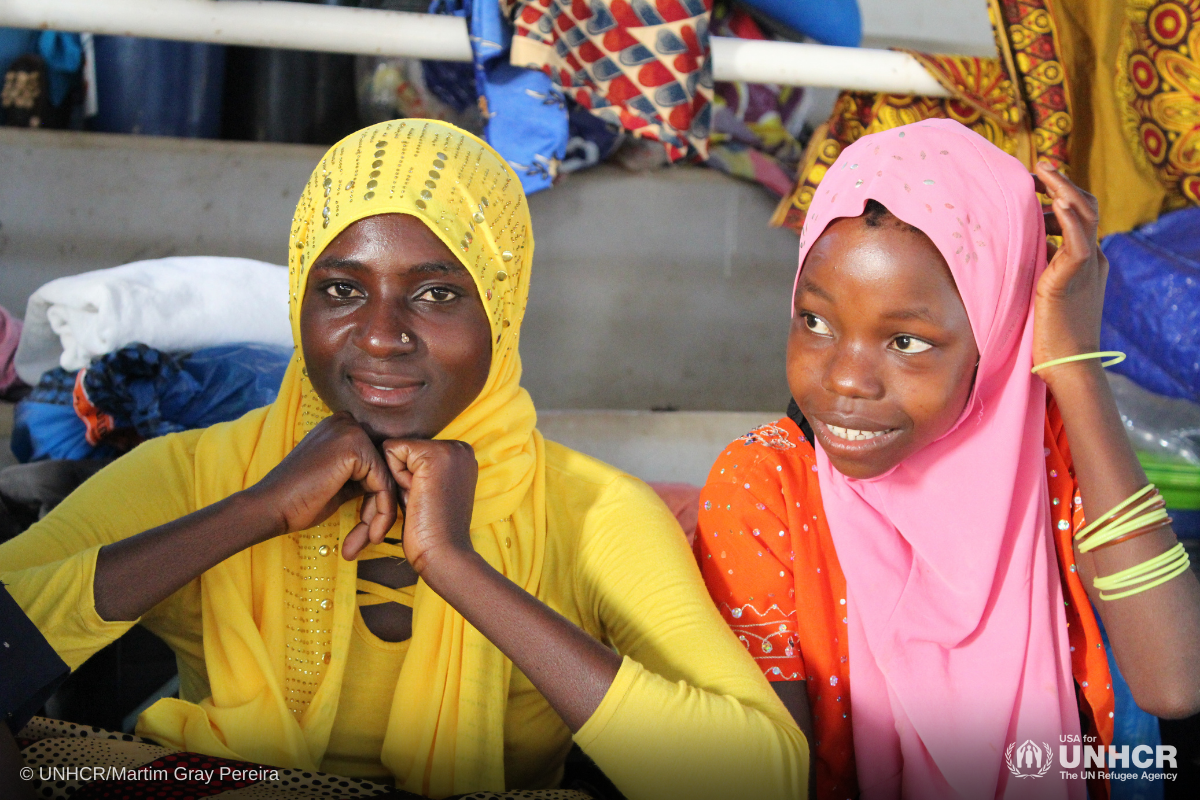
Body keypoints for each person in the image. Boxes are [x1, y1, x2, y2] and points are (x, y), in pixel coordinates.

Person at [0, 119, 807, 800]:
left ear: (502, 303)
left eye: (435, 294)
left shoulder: (587, 512)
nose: (382, 335)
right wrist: (256, 513)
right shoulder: (203, 475)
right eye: (343, 290)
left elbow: (760, 777)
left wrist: (456, 565)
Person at [694, 118, 1200, 800]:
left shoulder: (1051, 458)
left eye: (905, 341)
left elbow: (1174, 682)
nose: (846, 379)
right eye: (815, 321)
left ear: (994, 336)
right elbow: (768, 778)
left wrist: (1073, 367)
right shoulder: (766, 487)